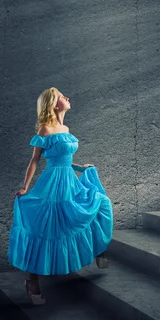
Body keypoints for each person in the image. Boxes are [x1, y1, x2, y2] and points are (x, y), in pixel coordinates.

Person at [7, 87, 113, 305]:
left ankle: (100, 250)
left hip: (69, 181)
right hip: (53, 184)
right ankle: (32, 282)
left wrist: (79, 166)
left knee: (100, 204)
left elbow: (62, 157)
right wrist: (26, 187)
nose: (67, 97)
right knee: (46, 227)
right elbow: (35, 160)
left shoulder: (65, 128)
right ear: (54, 105)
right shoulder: (45, 130)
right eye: (61, 97)